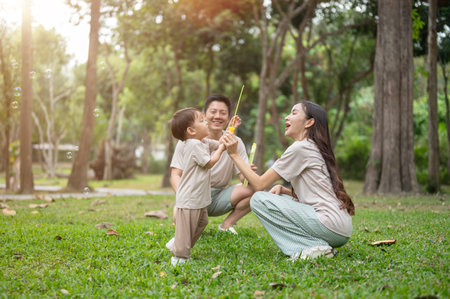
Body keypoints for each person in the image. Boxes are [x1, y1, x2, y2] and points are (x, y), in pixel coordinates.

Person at [222, 101, 355, 260]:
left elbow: (259, 184)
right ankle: (318, 246)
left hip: (329, 225)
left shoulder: (301, 147)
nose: (287, 117)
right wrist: (285, 190)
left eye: (294, 113)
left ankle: (306, 248)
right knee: (277, 196)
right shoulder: (312, 146)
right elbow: (316, 193)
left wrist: (234, 155)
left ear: (309, 122)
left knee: (259, 199)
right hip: (340, 229)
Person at [170, 94, 255, 234]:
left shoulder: (236, 142)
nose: (217, 116)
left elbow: (243, 179)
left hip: (220, 195)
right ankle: (185, 216)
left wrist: (247, 172)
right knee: (179, 218)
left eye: (223, 113)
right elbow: (175, 174)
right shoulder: (187, 141)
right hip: (194, 193)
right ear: (204, 115)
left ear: (228, 118)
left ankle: (226, 225)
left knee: (257, 190)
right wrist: (183, 198)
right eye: (213, 111)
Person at [166, 107, 226, 266]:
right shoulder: (193, 145)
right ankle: (179, 257)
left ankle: (177, 244)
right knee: (186, 229)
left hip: (198, 197)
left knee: (202, 222)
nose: (206, 122)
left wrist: (229, 132)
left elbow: (218, 142)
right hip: (190, 197)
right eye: (201, 120)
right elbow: (209, 163)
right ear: (191, 130)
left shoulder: (202, 141)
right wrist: (221, 149)